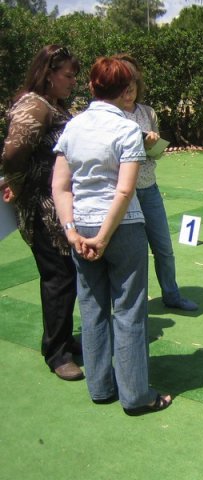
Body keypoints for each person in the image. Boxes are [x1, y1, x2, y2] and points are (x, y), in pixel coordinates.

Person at [51, 56, 171, 415]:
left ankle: (101, 386)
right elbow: (124, 191)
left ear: (91, 87)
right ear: (125, 91)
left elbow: (60, 186)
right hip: (121, 227)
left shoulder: (73, 127)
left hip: (82, 226)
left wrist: (73, 233)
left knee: (92, 308)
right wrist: (103, 237)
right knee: (130, 311)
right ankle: (136, 395)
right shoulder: (126, 130)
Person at [0, 45, 83, 381]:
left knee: (67, 274)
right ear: (48, 73)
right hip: (41, 208)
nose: (72, 82)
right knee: (58, 277)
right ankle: (56, 352)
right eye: (67, 75)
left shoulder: (53, 105)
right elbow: (13, 150)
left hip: (56, 205)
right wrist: (16, 183)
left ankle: (60, 338)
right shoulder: (35, 105)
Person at [114, 53, 197, 312]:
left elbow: (158, 152)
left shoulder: (147, 113)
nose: (129, 91)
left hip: (148, 188)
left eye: (133, 86)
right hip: (121, 193)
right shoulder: (110, 115)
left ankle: (171, 294)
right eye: (123, 86)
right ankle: (131, 304)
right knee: (131, 254)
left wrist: (152, 145)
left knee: (163, 247)